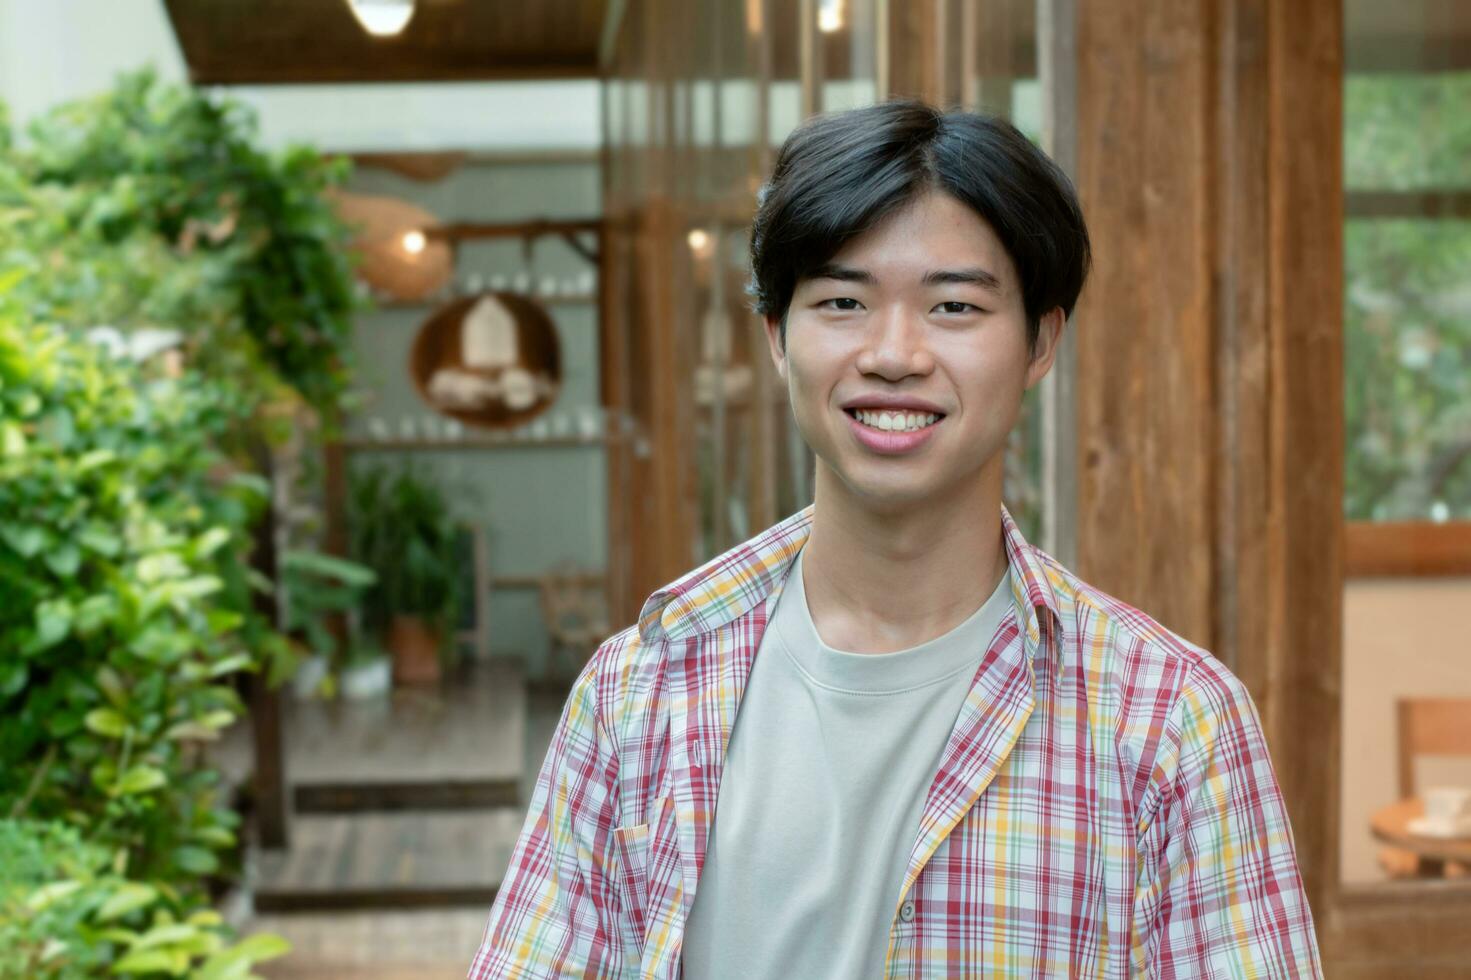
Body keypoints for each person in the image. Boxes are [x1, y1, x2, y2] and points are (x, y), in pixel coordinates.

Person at [468, 100, 1321, 979]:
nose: (893, 353)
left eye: (953, 305)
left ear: (1041, 342)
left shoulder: (1168, 726)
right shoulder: (639, 691)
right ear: (775, 337)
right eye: (842, 301)